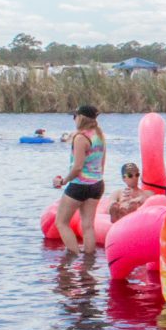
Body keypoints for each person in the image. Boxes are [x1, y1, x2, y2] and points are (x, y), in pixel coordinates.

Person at [51, 106, 107, 259]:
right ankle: (89, 261)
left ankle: (73, 255)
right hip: (97, 184)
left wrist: (63, 181)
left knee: (61, 222)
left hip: (79, 185)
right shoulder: (100, 135)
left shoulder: (80, 138)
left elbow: (77, 167)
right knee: (88, 225)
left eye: (74, 116)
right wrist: (95, 177)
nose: (74, 119)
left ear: (81, 118)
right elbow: (102, 162)